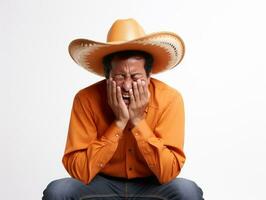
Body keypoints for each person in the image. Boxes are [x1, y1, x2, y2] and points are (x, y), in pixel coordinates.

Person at [42, 18, 204, 200]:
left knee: (188, 191)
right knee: (58, 191)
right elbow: (79, 171)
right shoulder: (85, 99)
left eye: (136, 77)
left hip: (151, 186)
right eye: (119, 76)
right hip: (100, 185)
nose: (127, 86)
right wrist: (118, 123)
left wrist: (138, 121)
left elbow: (169, 172)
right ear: (107, 76)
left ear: (149, 76)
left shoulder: (170, 99)